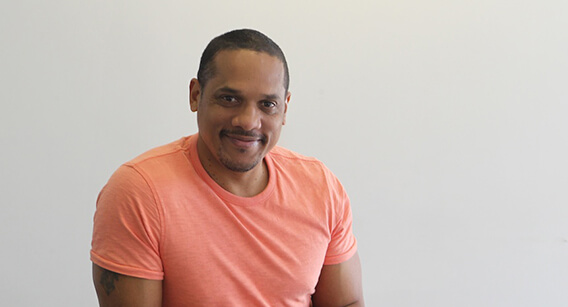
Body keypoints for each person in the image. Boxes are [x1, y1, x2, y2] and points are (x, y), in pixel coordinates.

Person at [91, 29, 364, 307]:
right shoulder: (139, 192)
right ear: (196, 95)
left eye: (267, 104)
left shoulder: (321, 187)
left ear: (284, 109)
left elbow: (346, 302)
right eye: (229, 99)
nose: (248, 121)